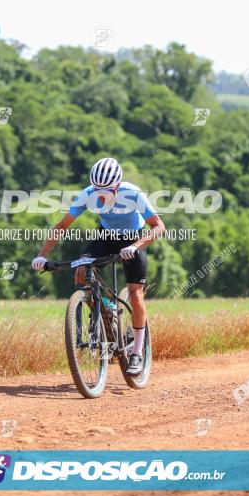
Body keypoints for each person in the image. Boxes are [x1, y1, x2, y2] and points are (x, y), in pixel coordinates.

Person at [32, 157, 165, 375]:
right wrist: (42, 256)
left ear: (118, 186)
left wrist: (135, 246)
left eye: (107, 191)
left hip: (134, 239)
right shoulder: (87, 194)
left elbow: (159, 227)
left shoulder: (133, 193)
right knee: (82, 270)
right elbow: (62, 225)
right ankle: (104, 308)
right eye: (97, 190)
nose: (101, 196)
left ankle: (137, 353)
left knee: (135, 292)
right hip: (106, 236)